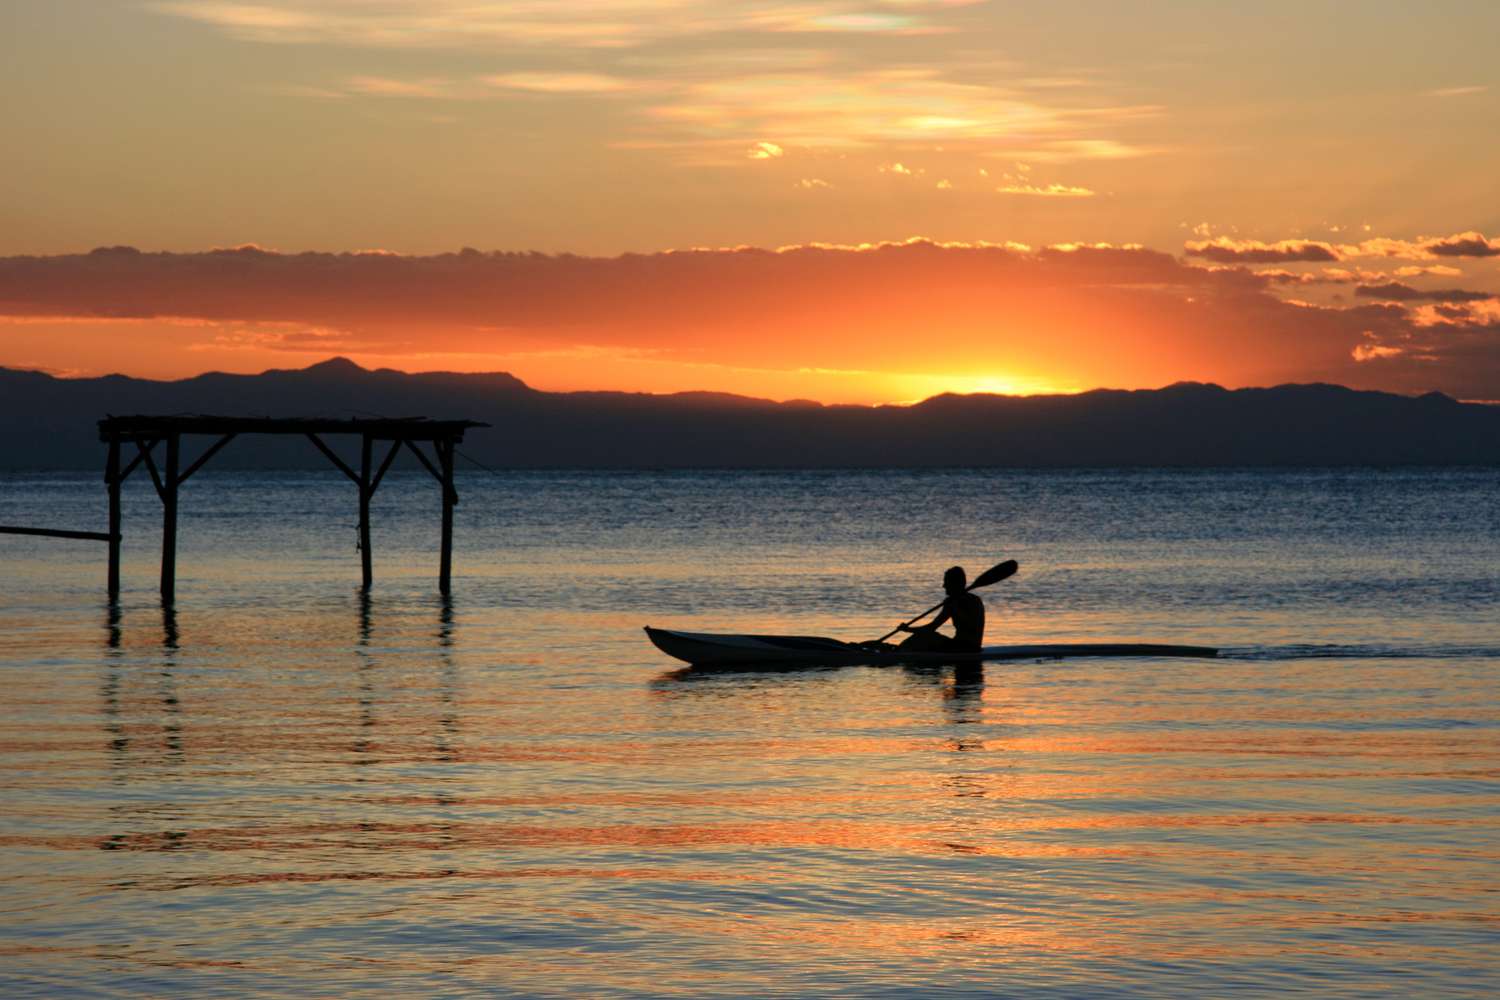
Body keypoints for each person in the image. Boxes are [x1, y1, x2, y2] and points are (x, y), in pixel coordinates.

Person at [896, 566, 985, 653]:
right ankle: (898, 650)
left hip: (968, 648)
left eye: (946, 582)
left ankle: (897, 652)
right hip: (956, 645)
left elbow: (971, 626)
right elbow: (933, 626)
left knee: (926, 637)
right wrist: (908, 629)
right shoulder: (951, 602)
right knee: (924, 636)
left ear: (955, 584)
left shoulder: (974, 601)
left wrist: (908, 629)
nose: (943, 586)